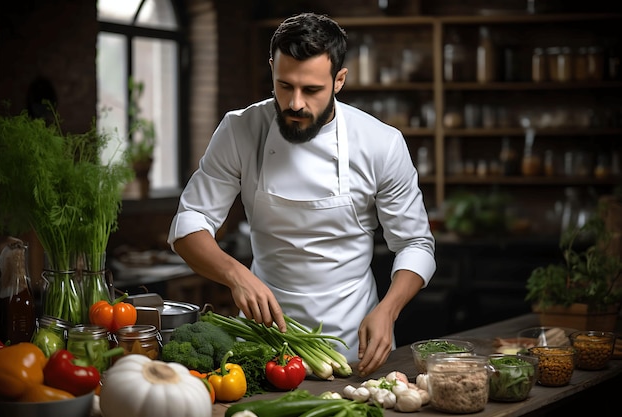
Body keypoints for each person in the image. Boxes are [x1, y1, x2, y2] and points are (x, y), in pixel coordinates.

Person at [168, 12, 436, 376]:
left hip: (350, 344)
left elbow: (416, 244)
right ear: (272, 70)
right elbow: (189, 225)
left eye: (311, 90)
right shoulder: (240, 130)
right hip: (263, 343)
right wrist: (235, 275)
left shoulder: (381, 144)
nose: (295, 103)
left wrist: (388, 310)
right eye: (284, 86)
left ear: (339, 80)